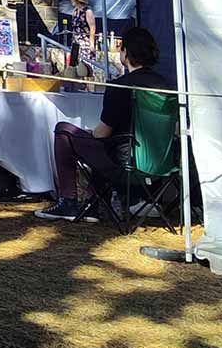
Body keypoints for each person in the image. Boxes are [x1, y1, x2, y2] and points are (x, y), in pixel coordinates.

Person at [37, 26, 169, 221]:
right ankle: (94, 202)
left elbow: (103, 134)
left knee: (65, 131)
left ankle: (69, 201)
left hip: (126, 163)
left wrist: (90, 134)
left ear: (125, 52)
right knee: (103, 144)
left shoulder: (120, 86)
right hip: (162, 163)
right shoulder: (167, 87)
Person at [68, 0, 97, 70]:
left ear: (77, 0)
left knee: (86, 67)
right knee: (74, 67)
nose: (71, 0)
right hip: (76, 42)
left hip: (85, 43)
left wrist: (91, 44)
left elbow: (92, 28)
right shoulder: (74, 12)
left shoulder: (88, 12)